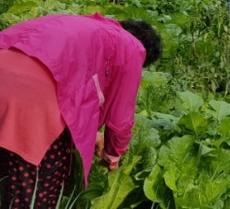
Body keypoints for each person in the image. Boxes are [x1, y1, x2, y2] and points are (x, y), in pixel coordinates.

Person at [0, 13, 162, 209]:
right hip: (30, 105)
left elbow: (71, 85)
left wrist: (91, 135)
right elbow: (120, 120)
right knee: (38, 186)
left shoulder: (81, 24)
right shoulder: (132, 47)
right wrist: (112, 156)